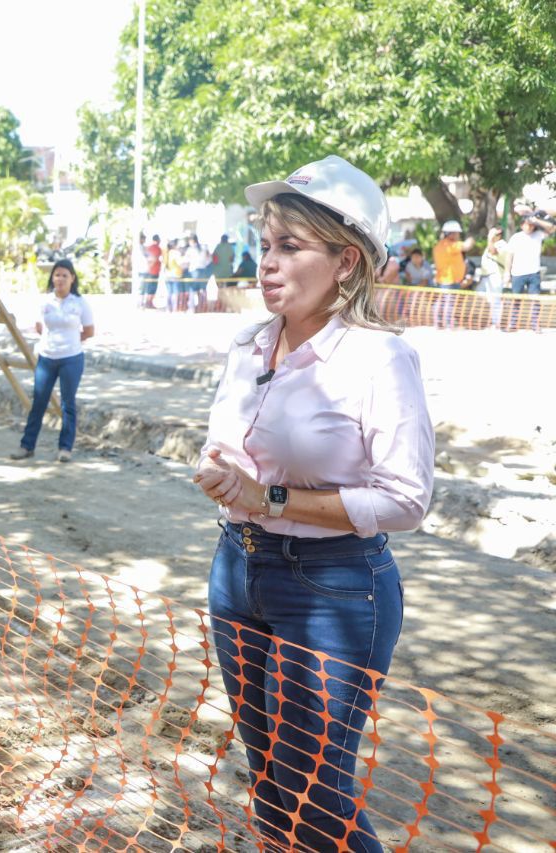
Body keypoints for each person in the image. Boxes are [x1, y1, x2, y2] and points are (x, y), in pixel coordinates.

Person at [193, 155, 433, 853]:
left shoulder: (378, 359)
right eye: (266, 243)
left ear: (347, 260)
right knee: (268, 779)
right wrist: (220, 467)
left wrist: (270, 495)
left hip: (332, 586)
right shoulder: (248, 345)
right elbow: (227, 446)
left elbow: (407, 498)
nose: (266, 262)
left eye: (290, 246)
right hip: (236, 571)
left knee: (313, 794)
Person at [9, 258, 94, 463]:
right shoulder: (45, 301)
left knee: (67, 404)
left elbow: (89, 331)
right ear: (52, 278)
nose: (60, 279)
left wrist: (71, 341)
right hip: (47, 358)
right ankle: (27, 446)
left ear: (72, 278)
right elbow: (40, 327)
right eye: (57, 275)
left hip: (71, 359)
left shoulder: (80, 303)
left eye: (65, 275)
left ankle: (65, 448)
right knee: (38, 402)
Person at [505, 214, 554, 331]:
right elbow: (509, 256)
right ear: (522, 225)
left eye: (531, 225)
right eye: (527, 224)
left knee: (535, 300)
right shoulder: (515, 238)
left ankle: (535, 324)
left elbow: (552, 228)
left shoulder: (538, 235)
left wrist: (537, 220)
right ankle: (512, 323)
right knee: (516, 299)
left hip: (534, 272)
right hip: (517, 273)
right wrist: (507, 272)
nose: (529, 227)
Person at [431, 221, 474, 329]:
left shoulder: (439, 246)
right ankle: (448, 324)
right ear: (451, 234)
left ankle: (438, 323)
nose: (458, 235)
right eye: (457, 233)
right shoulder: (451, 245)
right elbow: (467, 246)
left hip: (442, 279)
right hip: (450, 279)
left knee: (441, 302)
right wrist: (472, 237)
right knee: (449, 303)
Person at [478, 227, 510, 330]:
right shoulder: (491, 244)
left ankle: (497, 324)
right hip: (486, 276)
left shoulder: (503, 244)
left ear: (499, 235)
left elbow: (493, 251)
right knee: (484, 297)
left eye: (494, 234)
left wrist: (489, 238)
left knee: (495, 300)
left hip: (495, 275)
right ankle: (490, 321)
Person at [143, 234, 163, 309]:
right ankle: (149, 303)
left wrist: (148, 267)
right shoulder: (157, 248)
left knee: (149, 287)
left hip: (149, 271)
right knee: (152, 288)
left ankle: (148, 302)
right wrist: (150, 267)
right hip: (154, 271)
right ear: (158, 240)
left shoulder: (149, 248)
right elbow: (154, 258)